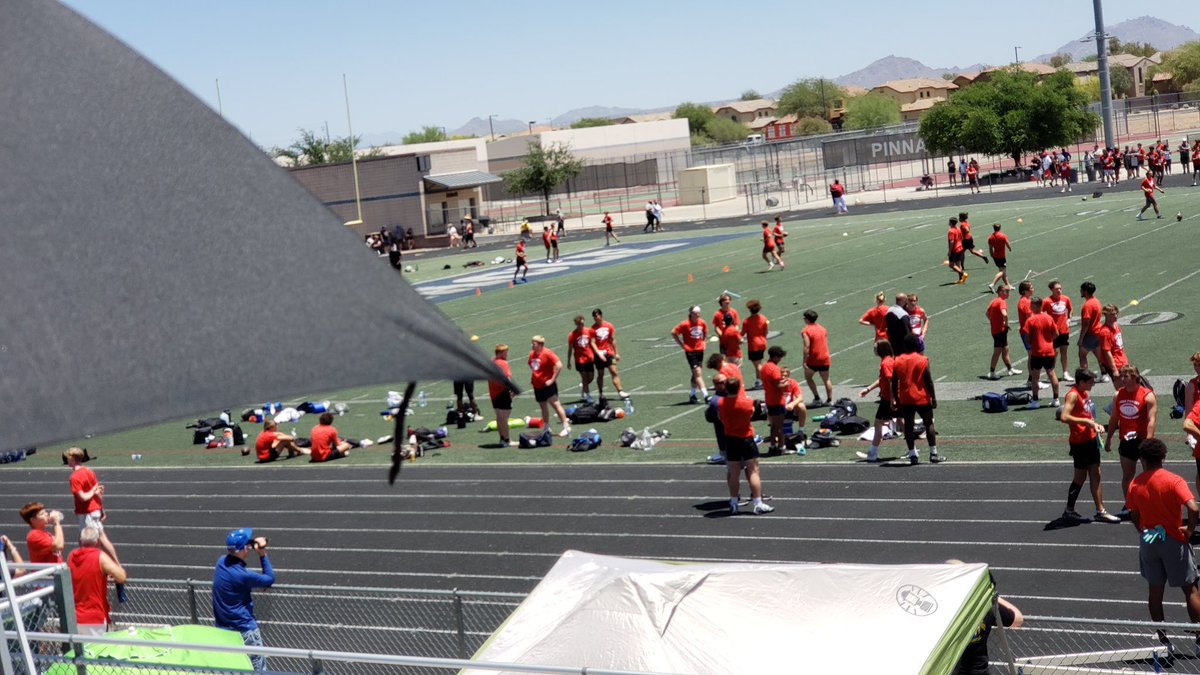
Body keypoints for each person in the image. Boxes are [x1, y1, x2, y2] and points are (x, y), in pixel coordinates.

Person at [1125, 438, 1200, 654]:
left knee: (1155, 591)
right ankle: (1199, 639)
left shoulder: (1135, 484)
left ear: (1142, 459)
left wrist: (1142, 530)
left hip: (1150, 541)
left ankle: (1163, 641)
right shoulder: (1173, 481)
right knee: (1190, 589)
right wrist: (1190, 530)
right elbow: (1193, 507)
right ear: (1163, 458)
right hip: (1173, 539)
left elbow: (1133, 513)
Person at [1060, 369, 1120, 523]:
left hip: (1090, 439)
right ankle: (1069, 510)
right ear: (1081, 382)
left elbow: (1086, 414)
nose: (1093, 384)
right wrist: (1086, 422)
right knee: (1080, 477)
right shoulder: (1073, 395)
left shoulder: (1084, 393)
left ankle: (1100, 511)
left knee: (1096, 473)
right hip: (1080, 442)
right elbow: (1064, 417)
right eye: (1090, 382)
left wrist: (1095, 425)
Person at [213, 528, 274, 671]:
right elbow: (269, 578)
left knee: (233, 668)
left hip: (223, 630)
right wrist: (262, 553)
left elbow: (236, 582)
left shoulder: (220, 563)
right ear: (245, 548)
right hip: (245, 630)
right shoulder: (243, 576)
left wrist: (249, 543)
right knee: (257, 669)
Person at [950, 564, 1023, 675]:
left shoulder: (944, 611)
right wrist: (991, 596)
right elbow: (1018, 618)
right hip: (979, 671)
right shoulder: (985, 608)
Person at [1105, 364, 1156, 519]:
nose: (1122, 379)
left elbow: (1151, 420)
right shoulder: (1118, 395)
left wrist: (1148, 442)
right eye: (1121, 376)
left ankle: (1151, 503)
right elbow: (1114, 418)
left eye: (1125, 376)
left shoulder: (1147, 395)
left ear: (1135, 377)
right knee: (1128, 475)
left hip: (1143, 439)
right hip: (1126, 440)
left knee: (1149, 474)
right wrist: (1108, 439)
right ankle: (1130, 504)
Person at [717, 377, 773, 515]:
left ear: (726, 388)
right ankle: (758, 503)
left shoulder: (721, 403)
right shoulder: (747, 402)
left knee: (734, 473)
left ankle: (734, 503)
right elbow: (752, 413)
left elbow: (720, 418)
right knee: (753, 471)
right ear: (739, 388)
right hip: (746, 438)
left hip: (730, 439)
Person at [65, 447, 122, 567]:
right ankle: (116, 565)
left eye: (68, 458)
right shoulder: (89, 471)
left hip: (87, 513)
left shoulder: (75, 477)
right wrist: (101, 509)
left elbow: (83, 497)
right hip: (94, 510)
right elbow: (98, 493)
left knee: (88, 542)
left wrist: (92, 491)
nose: (66, 460)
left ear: (72, 459)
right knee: (102, 539)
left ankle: (98, 567)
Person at [891, 334, 942, 465]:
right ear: (916, 345)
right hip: (922, 398)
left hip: (906, 398)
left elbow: (894, 382)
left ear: (905, 346)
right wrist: (933, 398)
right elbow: (929, 381)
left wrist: (896, 398)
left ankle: (913, 454)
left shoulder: (897, 360)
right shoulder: (923, 360)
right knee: (928, 423)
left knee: (908, 426)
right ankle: (933, 454)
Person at [68, 526, 127, 636]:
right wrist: (114, 560)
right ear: (98, 541)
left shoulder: (71, 555)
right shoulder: (99, 557)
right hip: (94, 617)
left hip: (75, 617)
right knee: (99, 646)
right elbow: (121, 576)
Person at [859, 340, 897, 463]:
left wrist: (892, 399)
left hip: (888, 400)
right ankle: (912, 450)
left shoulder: (886, 363)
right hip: (889, 398)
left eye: (875, 348)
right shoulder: (887, 361)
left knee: (878, 424)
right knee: (901, 423)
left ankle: (872, 453)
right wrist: (868, 389)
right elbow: (882, 380)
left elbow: (891, 382)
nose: (874, 350)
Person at [528, 335, 572, 437]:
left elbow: (559, 365)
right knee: (543, 406)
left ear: (540, 345)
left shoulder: (547, 353)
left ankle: (566, 426)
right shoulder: (531, 354)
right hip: (537, 385)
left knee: (556, 404)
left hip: (547, 385)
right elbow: (532, 366)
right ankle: (546, 426)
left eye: (534, 344)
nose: (532, 346)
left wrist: (552, 379)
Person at [1023, 297, 1060, 409]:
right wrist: (1048, 341)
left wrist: (1034, 342)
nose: (1030, 307)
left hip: (1037, 352)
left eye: (1031, 305)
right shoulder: (1049, 317)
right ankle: (1056, 399)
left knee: (1035, 377)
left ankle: (1035, 400)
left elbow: (1027, 338)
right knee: (1052, 374)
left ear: (1035, 306)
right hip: (1049, 351)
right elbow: (1056, 333)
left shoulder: (1030, 320)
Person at [672, 306, 709, 404]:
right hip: (690, 351)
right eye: (696, 313)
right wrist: (681, 344)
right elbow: (674, 332)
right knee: (697, 372)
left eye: (699, 312)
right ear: (691, 313)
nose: (698, 314)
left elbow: (705, 332)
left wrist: (704, 342)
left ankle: (692, 394)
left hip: (700, 350)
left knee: (696, 374)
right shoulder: (685, 324)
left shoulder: (702, 322)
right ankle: (706, 396)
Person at [590, 308, 629, 400]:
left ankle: (620, 391)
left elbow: (612, 339)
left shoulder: (609, 325)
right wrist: (598, 353)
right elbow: (592, 342)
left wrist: (616, 353)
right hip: (599, 355)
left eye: (597, 315)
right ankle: (601, 393)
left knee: (614, 371)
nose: (596, 318)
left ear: (601, 315)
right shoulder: (592, 329)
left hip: (609, 353)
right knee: (600, 374)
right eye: (594, 316)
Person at [986, 285, 1020, 380]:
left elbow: (987, 313)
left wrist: (994, 321)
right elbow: (1004, 314)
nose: (1008, 293)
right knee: (997, 351)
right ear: (1000, 292)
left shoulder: (994, 301)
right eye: (1006, 292)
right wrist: (1006, 324)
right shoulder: (1001, 302)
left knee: (1005, 349)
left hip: (996, 330)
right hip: (999, 331)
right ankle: (992, 372)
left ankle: (1010, 369)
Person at [1042, 280, 1073, 382]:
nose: (1059, 290)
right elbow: (1040, 312)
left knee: (1064, 352)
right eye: (1057, 289)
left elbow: (1070, 309)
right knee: (1054, 353)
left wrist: (1069, 319)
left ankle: (1065, 373)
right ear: (1051, 290)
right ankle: (1050, 374)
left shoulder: (1066, 298)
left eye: (1060, 288)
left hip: (1064, 330)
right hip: (1053, 331)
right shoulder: (1047, 301)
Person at [488, 344, 518, 447]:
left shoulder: (492, 361)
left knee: (499, 417)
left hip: (493, 393)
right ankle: (507, 440)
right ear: (500, 353)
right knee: (504, 418)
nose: (507, 354)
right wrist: (513, 389)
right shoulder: (503, 363)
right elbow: (507, 378)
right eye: (506, 352)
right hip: (502, 392)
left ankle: (502, 439)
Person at [801, 310, 832, 407]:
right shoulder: (822, 328)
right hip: (824, 357)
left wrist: (804, 361)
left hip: (813, 359)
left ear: (807, 319)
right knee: (826, 380)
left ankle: (817, 398)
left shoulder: (806, 331)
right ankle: (829, 400)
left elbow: (807, 346)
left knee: (808, 377)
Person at [760, 346, 787, 453]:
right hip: (777, 400)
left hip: (769, 399)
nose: (780, 359)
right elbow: (778, 385)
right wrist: (786, 383)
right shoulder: (774, 369)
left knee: (774, 426)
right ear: (775, 357)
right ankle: (781, 447)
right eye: (779, 357)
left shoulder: (764, 367)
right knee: (779, 426)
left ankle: (772, 445)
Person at [566, 315, 597, 403]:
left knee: (590, 377)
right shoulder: (572, 335)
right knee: (584, 377)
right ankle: (587, 395)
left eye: (582, 323)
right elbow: (570, 349)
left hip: (589, 358)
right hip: (579, 359)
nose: (581, 325)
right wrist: (568, 361)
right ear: (576, 324)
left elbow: (593, 344)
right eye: (579, 324)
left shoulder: (589, 331)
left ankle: (584, 387)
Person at [741, 300, 770, 390]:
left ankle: (763, 381)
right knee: (759, 362)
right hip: (762, 342)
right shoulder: (764, 318)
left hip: (754, 345)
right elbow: (766, 331)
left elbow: (742, 333)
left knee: (757, 365)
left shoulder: (747, 321)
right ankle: (758, 380)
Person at [1077, 281, 1103, 377]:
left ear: (1085, 292)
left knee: (1082, 355)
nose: (1080, 291)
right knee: (1099, 356)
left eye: (1081, 290)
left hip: (1090, 333)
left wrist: (1081, 338)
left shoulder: (1087, 305)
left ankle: (1085, 377)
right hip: (1098, 332)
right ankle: (1104, 374)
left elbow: (1086, 324)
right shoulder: (1096, 301)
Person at [1096, 303, 1128, 380]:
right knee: (1121, 386)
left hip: (1122, 361)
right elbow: (1107, 352)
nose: (1116, 316)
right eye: (1113, 314)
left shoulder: (1116, 326)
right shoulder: (1105, 332)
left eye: (1116, 313)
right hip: (1116, 364)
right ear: (1106, 315)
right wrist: (1114, 369)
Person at [986, 223, 1011, 294]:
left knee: (1002, 270)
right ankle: (992, 284)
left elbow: (990, 248)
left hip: (995, 256)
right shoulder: (1003, 236)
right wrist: (1010, 248)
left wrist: (992, 255)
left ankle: (1008, 285)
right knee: (1002, 272)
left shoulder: (990, 237)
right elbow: (1007, 244)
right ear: (1000, 228)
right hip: (1001, 256)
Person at [946, 217, 966, 285]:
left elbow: (951, 241)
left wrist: (950, 251)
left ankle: (962, 273)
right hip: (960, 248)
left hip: (955, 250)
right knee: (958, 264)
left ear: (951, 223)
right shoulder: (958, 228)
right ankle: (961, 279)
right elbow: (962, 238)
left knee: (951, 265)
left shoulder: (951, 231)